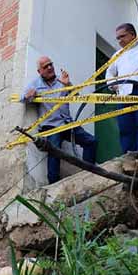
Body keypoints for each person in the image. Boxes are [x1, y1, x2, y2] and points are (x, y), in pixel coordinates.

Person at [23, 56, 97, 184]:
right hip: (50, 126)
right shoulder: (36, 84)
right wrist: (29, 95)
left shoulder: (61, 81)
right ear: (39, 71)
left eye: (50, 64)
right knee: (54, 152)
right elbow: (22, 97)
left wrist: (67, 84)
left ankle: (87, 174)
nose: (50, 68)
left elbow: (77, 97)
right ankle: (53, 185)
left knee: (91, 141)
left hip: (67, 123)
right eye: (45, 67)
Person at [105, 23, 138, 155]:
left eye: (122, 36)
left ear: (133, 34)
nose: (119, 41)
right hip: (124, 93)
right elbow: (109, 73)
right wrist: (113, 84)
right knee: (125, 127)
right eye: (117, 38)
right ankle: (128, 157)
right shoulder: (117, 55)